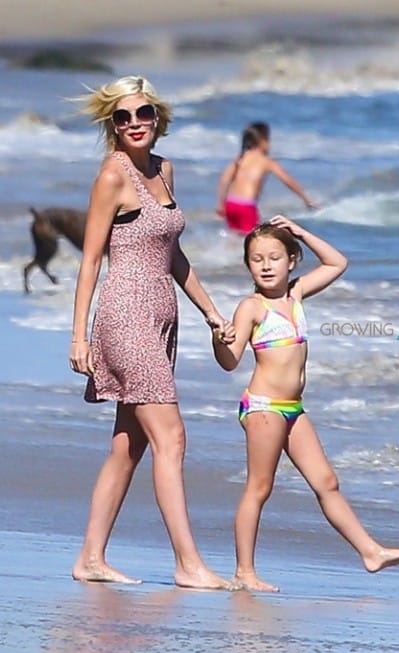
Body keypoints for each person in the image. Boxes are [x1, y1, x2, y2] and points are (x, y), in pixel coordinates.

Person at [69, 75, 235, 589]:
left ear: (158, 119)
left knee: (129, 445)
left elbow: (172, 253)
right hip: (125, 317)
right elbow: (91, 258)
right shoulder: (112, 177)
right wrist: (79, 336)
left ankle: (90, 559)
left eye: (143, 114)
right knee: (173, 437)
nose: (135, 124)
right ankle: (188, 564)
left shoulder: (164, 170)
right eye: (123, 117)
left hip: (163, 318)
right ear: (112, 126)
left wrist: (211, 311)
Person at [212, 217, 399, 592]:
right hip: (264, 407)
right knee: (259, 487)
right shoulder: (252, 308)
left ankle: (371, 552)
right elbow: (229, 362)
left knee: (327, 482)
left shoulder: (296, 295)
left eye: (275, 257)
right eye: (256, 259)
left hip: (293, 408)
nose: (266, 265)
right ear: (248, 266)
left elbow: (338, 263)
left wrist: (302, 233)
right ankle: (244, 571)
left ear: (292, 260)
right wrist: (219, 339)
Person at [215, 122, 320, 236]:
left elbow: (224, 180)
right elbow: (288, 181)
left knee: (234, 237)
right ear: (263, 141)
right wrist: (307, 199)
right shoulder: (266, 162)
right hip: (246, 206)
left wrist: (221, 204)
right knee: (254, 238)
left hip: (231, 204)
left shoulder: (240, 159)